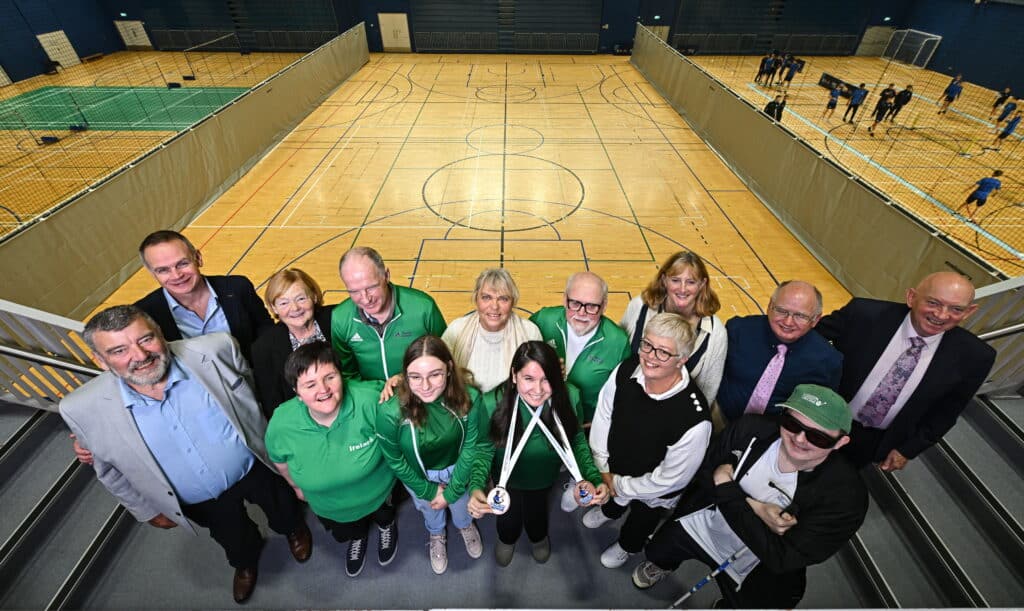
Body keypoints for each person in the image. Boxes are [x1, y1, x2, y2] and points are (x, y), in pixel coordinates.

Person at [59, 306, 310, 604]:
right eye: (119, 350)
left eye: (146, 339)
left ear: (160, 333)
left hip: (253, 466)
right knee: (232, 537)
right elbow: (108, 470)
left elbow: (251, 391)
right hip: (198, 499)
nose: (139, 356)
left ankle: (293, 530)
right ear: (99, 360)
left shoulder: (216, 349)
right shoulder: (80, 409)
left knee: (282, 506)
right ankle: (245, 562)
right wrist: (146, 510)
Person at [631, 385, 868, 609]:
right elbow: (704, 473)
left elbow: (782, 556)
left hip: (756, 562)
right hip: (702, 522)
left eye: (818, 437)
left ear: (840, 442)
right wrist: (756, 508)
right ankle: (662, 565)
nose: (799, 439)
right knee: (659, 551)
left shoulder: (846, 497)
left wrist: (726, 486)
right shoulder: (750, 428)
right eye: (792, 423)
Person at [815, 272, 995, 471]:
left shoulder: (976, 357)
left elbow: (946, 412)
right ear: (911, 297)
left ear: (969, 312)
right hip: (819, 415)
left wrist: (908, 450)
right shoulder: (863, 314)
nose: (942, 315)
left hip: (873, 442)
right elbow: (808, 339)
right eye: (933, 303)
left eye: (956, 309)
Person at [586, 313, 712, 569]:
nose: (650, 356)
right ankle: (610, 510)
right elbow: (604, 412)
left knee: (642, 519)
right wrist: (602, 466)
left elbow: (669, 480)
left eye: (664, 352)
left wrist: (618, 484)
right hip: (616, 467)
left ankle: (627, 546)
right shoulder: (627, 368)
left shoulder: (695, 420)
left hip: (654, 489)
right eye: (647, 345)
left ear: (683, 360)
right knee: (613, 500)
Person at [467, 341, 609, 567]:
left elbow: (576, 441)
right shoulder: (491, 402)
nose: (538, 389)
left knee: (537, 511)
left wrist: (592, 477)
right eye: (529, 379)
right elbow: (483, 448)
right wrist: (476, 486)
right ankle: (507, 539)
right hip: (507, 480)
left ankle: (537, 537)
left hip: (543, 478)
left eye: (546, 379)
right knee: (508, 517)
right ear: (514, 375)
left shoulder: (570, 396)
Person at [265, 342, 398, 578]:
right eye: (310, 384)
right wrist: (295, 485)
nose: (323, 389)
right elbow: (279, 460)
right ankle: (357, 537)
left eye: (330, 377)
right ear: (296, 391)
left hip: (379, 492)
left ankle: (386, 526)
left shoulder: (370, 399)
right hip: (330, 506)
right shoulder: (281, 423)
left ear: (342, 376)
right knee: (350, 530)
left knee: (385, 514)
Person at [375, 336, 487, 574]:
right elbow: (395, 459)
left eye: (434, 374)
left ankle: (465, 525)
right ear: (405, 375)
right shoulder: (389, 411)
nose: (425, 386)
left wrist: (454, 489)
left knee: (461, 505)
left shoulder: (470, 398)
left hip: (458, 470)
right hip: (418, 476)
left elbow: (471, 446)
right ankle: (436, 533)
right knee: (430, 509)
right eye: (415, 377)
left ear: (448, 369)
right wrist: (426, 489)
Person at [134, 230, 273, 364]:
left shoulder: (238, 287)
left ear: (198, 258)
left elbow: (266, 331)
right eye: (163, 270)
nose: (176, 275)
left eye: (182, 264)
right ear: (152, 273)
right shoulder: (143, 313)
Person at [716, 280, 842, 425]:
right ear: (770, 306)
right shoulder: (738, 330)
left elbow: (821, 411)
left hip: (775, 435)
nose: (788, 322)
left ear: (815, 320)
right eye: (781, 311)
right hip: (721, 419)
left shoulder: (828, 361)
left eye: (800, 316)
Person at [621, 251, 727, 406]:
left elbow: (707, 391)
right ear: (664, 280)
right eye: (675, 280)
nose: (682, 289)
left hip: (677, 413)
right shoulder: (639, 307)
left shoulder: (716, 332)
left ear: (702, 284)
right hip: (626, 401)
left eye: (691, 282)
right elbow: (617, 354)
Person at [530, 272, 630, 426]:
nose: (582, 313)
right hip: (535, 420)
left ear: (604, 306)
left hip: (583, 428)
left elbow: (621, 397)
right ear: (565, 299)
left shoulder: (618, 343)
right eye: (575, 303)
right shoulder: (542, 320)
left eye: (591, 306)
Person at [332, 246, 446, 381]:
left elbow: (444, 358)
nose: (366, 299)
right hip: (372, 398)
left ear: (386, 275)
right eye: (354, 291)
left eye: (371, 287)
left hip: (420, 393)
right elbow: (348, 375)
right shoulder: (340, 318)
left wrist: (406, 381)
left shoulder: (424, 308)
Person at [442, 268, 542, 396]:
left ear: (513, 302)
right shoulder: (456, 330)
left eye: (503, 299)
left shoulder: (530, 333)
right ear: (476, 299)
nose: (494, 306)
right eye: (486, 297)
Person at [251, 268, 334, 418]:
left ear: (314, 296)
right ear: (273, 308)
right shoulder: (263, 348)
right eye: (284, 303)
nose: (295, 308)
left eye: (301, 298)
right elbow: (273, 405)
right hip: (303, 423)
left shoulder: (337, 319)